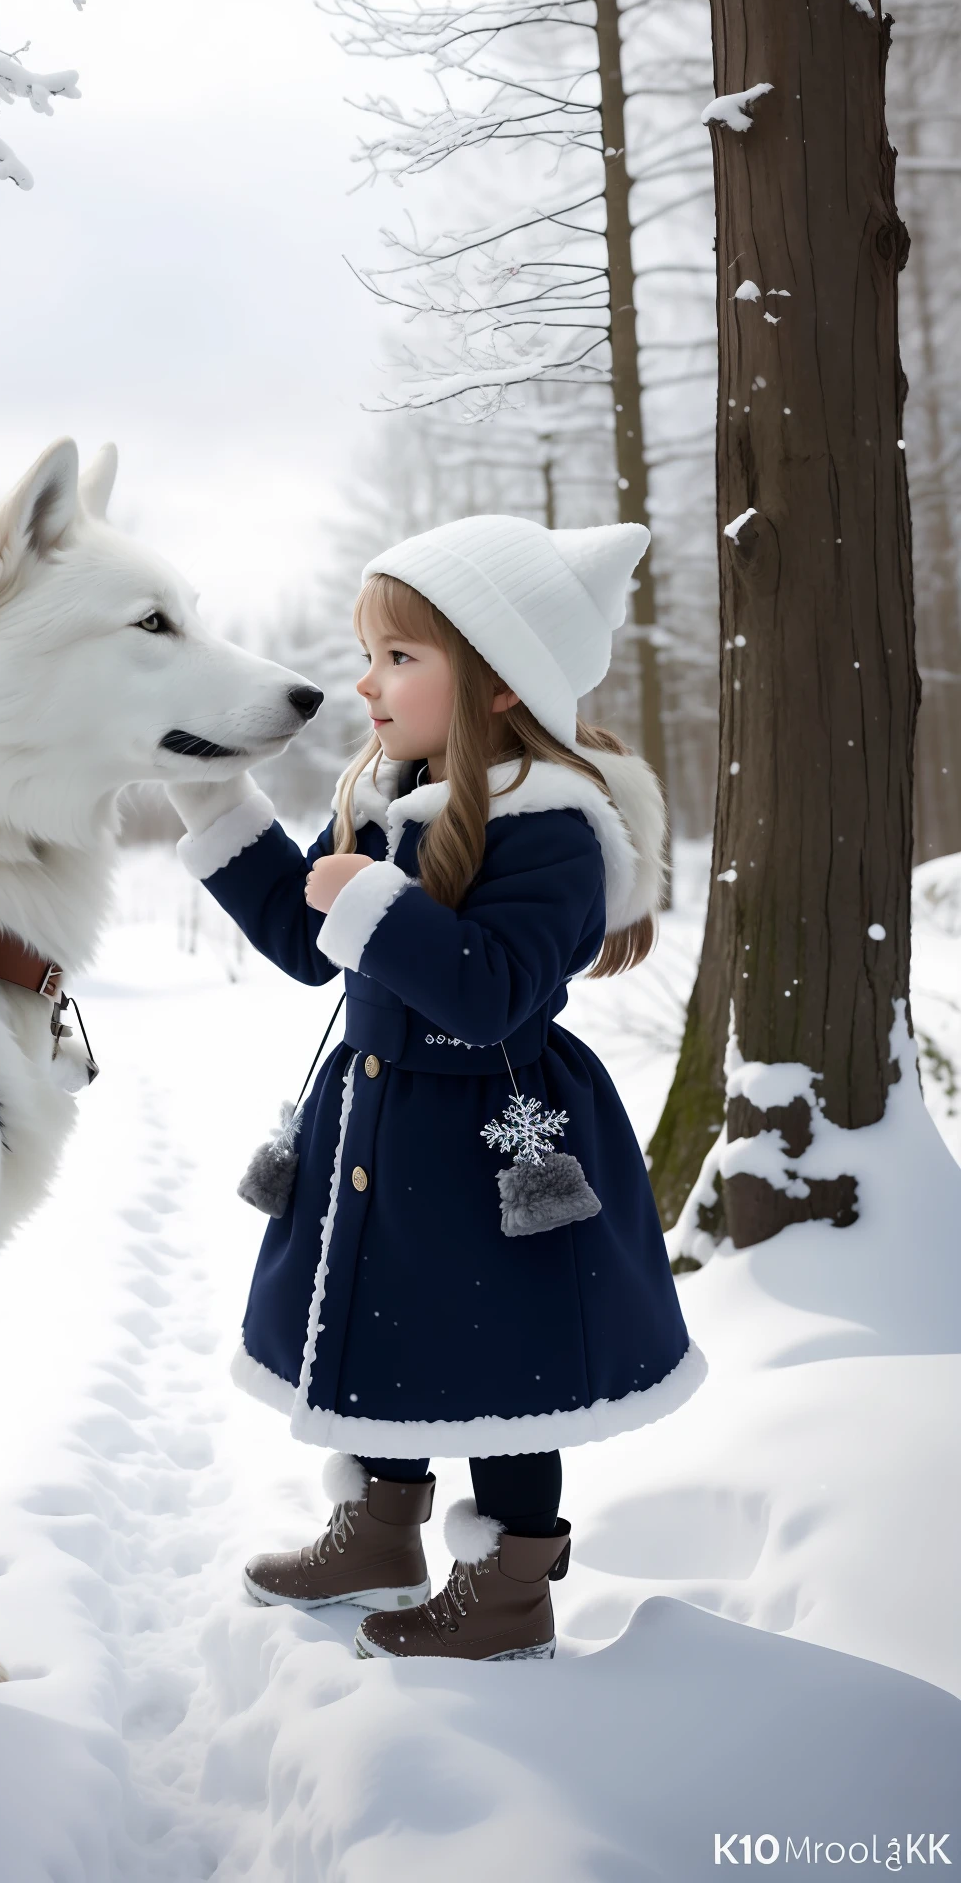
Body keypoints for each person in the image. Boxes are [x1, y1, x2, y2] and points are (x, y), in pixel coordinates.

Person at [167, 513, 705, 1662]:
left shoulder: (551, 826)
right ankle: (380, 1528)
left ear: (502, 682)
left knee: (502, 1362)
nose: (367, 681)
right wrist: (220, 807)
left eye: (401, 657)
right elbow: (309, 938)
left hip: (498, 1140)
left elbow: (494, 991)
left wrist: (376, 902)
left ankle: (510, 1585)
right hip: (379, 1121)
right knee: (387, 1326)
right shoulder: (387, 791)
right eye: (372, 653)